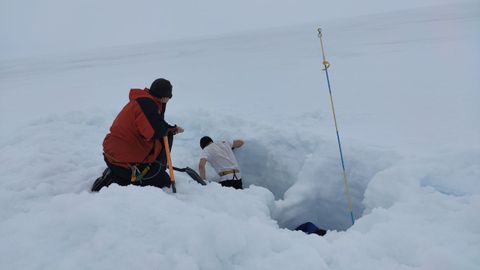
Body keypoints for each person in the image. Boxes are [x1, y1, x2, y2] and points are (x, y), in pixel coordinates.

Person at [92, 78, 184, 192]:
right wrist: (171, 130)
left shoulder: (143, 101)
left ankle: (119, 174)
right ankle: (116, 180)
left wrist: (170, 129)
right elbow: (156, 130)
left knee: (164, 136)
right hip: (123, 161)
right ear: (164, 96)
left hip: (114, 155)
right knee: (163, 181)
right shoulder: (147, 105)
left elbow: (154, 124)